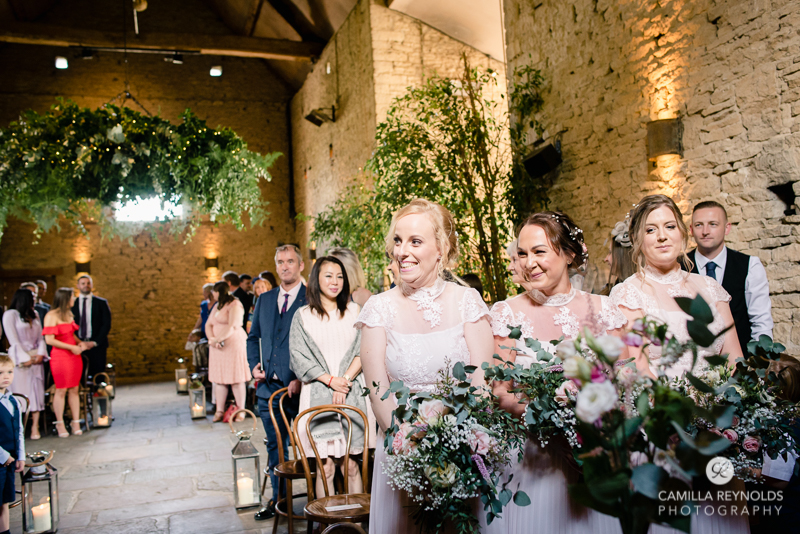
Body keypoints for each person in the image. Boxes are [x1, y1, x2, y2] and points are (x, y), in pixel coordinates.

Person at [610, 194, 747, 533]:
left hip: (719, 427)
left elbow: (734, 358)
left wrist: (726, 409)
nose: (662, 236)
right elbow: (637, 365)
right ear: (638, 241)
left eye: (669, 226)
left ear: (683, 233)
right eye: (651, 229)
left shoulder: (711, 288)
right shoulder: (629, 294)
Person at [357, 198, 494, 533]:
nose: (402, 251)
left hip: (462, 449)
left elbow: (482, 381)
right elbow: (378, 391)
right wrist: (407, 443)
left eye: (415, 241)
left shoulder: (467, 303)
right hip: (402, 448)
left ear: (441, 249)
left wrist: (460, 438)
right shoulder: (378, 309)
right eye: (398, 240)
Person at [489, 212, 626, 534]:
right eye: (522, 254)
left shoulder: (604, 310)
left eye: (539, 251)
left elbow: (626, 380)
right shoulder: (505, 313)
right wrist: (551, 416)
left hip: (597, 455)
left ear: (568, 253)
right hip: (532, 460)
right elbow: (498, 391)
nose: (528, 263)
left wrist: (594, 422)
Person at [289, 256, 375, 499]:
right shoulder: (303, 316)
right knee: (325, 468)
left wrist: (344, 381)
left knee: (350, 465)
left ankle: (354, 521)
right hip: (318, 397)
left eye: (339, 276)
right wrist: (330, 380)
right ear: (316, 279)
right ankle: (326, 523)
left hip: (351, 394)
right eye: (328, 275)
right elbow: (298, 357)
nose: (335, 281)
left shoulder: (355, 311)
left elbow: (363, 349)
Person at [247, 245, 307, 521]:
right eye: (280, 262)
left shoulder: (310, 298)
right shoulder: (266, 299)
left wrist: (299, 377)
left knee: (310, 445)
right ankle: (278, 498)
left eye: (290, 261)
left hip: (303, 389)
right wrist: (253, 365)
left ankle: (317, 498)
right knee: (275, 445)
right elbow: (253, 337)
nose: (285, 266)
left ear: (300, 265)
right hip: (268, 389)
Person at [686, 200, 773, 356]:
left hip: (742, 364)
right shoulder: (678, 266)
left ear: (727, 228)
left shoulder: (749, 266)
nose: (705, 231)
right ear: (691, 229)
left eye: (713, 224)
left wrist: (758, 365)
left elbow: (761, 322)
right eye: (699, 225)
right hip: (692, 363)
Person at [2, 289, 47, 440]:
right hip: (21, 359)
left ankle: (35, 426)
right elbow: (13, 339)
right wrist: (24, 358)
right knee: (22, 394)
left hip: (36, 358)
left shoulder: (35, 315)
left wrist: (40, 354)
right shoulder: (10, 315)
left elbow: (41, 338)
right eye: (32, 297)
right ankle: (18, 428)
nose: (35, 299)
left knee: (37, 393)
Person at [44, 288, 89, 438]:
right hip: (61, 356)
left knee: (74, 389)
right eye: (72, 297)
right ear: (65, 299)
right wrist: (72, 347)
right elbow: (49, 339)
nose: (74, 300)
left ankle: (75, 421)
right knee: (61, 390)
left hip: (74, 356)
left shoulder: (69, 314)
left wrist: (80, 343)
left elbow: (71, 334)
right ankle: (60, 423)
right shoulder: (51, 315)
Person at [206, 281, 251, 422]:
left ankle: (241, 411)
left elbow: (233, 325)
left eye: (214, 291)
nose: (212, 293)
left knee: (236, 379)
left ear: (219, 291)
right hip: (218, 347)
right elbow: (208, 324)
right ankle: (219, 410)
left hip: (233, 345)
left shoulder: (235, 304)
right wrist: (212, 339)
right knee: (220, 380)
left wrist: (218, 339)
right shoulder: (218, 305)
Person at [0, 354, 25, 534]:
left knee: (5, 500)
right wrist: (4, 456)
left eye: (9, 371)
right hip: (1, 458)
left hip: (10, 460)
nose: (6, 376)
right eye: (0, 373)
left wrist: (20, 456)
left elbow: (19, 431)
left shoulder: (13, 400)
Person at [72, 275, 112, 378]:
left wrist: (94, 342)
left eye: (88, 283)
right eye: (83, 283)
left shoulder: (101, 303)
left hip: (96, 344)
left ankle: (97, 392)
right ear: (78, 286)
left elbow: (106, 324)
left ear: (92, 285)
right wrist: (78, 342)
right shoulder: (72, 304)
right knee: (79, 373)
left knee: (97, 373)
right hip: (77, 344)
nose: (86, 286)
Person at [599, 218, 636, 295]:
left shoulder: (629, 292)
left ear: (623, 256)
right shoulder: (611, 289)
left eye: (610, 252)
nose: (605, 259)